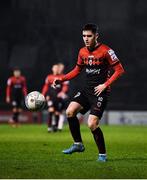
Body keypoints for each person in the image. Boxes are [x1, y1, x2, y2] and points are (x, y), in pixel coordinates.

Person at [53, 23, 125, 162]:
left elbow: (120, 70)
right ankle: (78, 144)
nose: (86, 39)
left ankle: (102, 155)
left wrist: (105, 84)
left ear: (96, 36)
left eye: (89, 36)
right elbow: (77, 70)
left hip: (100, 92)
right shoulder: (82, 52)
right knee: (69, 111)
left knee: (92, 124)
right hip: (87, 90)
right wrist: (61, 79)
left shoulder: (106, 51)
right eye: (84, 36)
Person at [42, 64, 69, 132]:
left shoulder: (62, 77)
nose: (56, 69)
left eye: (57, 68)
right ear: (52, 69)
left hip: (58, 98)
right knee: (51, 110)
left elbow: (65, 86)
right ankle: (49, 127)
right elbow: (46, 86)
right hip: (51, 97)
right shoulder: (49, 77)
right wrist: (43, 95)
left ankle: (56, 126)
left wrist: (62, 92)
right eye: (55, 68)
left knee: (57, 113)